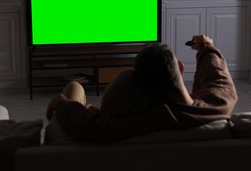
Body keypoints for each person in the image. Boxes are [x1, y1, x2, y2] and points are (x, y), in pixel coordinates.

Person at [45, 35, 237, 142]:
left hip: (86, 114)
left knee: (74, 87)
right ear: (179, 67)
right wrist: (205, 47)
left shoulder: (131, 124)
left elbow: (83, 123)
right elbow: (219, 78)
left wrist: (60, 102)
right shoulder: (218, 104)